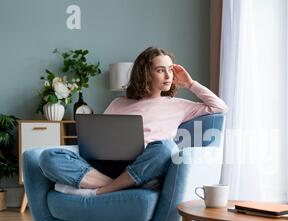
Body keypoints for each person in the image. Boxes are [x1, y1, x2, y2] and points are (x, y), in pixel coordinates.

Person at [39, 47, 228, 196]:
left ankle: (100, 191)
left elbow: (219, 107)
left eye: (170, 70)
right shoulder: (118, 103)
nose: (169, 75)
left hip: (145, 164)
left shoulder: (178, 105)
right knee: (49, 156)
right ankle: (122, 186)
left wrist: (190, 83)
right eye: (160, 70)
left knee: (165, 148)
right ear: (145, 74)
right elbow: (100, 137)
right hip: (107, 165)